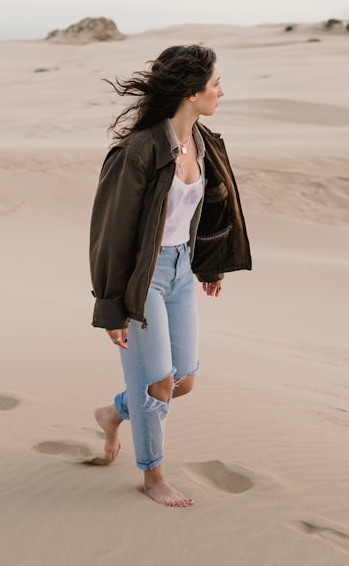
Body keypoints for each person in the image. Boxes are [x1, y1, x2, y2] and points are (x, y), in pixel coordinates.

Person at [89, 44, 251, 507]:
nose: (221, 90)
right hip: (144, 278)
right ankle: (153, 476)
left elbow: (214, 206)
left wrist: (210, 264)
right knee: (157, 384)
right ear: (190, 91)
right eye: (216, 82)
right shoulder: (138, 151)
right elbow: (111, 233)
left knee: (183, 381)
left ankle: (112, 412)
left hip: (180, 270)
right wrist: (112, 305)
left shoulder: (205, 143)